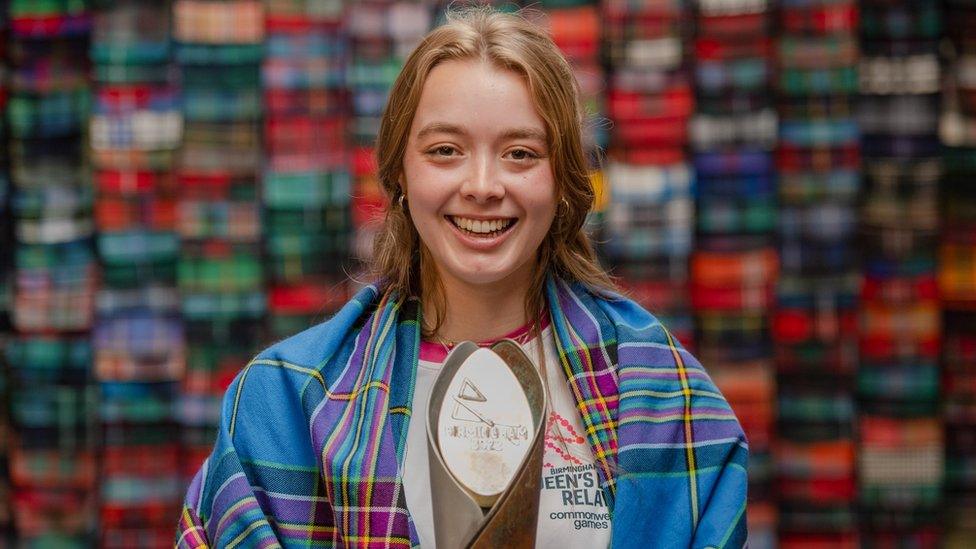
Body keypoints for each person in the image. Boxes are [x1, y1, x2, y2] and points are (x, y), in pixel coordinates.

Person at [177, 8, 748, 548]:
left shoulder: (661, 395)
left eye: (521, 154)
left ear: (563, 181)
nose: (482, 184)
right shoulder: (285, 401)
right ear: (400, 172)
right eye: (445, 150)